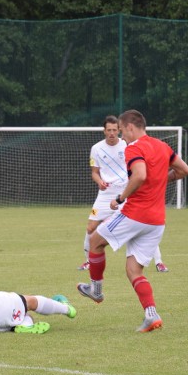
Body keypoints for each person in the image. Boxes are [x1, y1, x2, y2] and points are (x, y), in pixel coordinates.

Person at [76, 110, 188, 333]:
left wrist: (120, 198)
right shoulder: (162, 146)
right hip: (157, 221)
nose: (121, 136)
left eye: (121, 130)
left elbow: (139, 175)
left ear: (130, 127)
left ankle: (96, 290)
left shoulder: (134, 148)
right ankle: (151, 314)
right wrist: (163, 179)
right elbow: (184, 170)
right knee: (133, 270)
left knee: (95, 240)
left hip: (135, 213)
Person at [78, 115, 169, 273]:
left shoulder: (127, 145)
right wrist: (99, 181)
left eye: (115, 130)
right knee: (90, 227)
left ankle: (159, 262)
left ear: (119, 130)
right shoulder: (96, 148)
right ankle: (88, 261)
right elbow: (94, 172)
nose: (112, 133)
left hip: (127, 191)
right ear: (104, 131)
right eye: (109, 130)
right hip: (105, 195)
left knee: (141, 225)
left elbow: (138, 170)